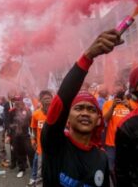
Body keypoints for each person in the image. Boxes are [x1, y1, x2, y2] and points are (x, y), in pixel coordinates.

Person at [41, 29, 123, 187]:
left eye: (92, 110)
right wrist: (87, 57)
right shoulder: (54, 145)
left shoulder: (102, 158)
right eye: (79, 108)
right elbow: (61, 101)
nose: (85, 113)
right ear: (67, 117)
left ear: (98, 119)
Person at [102, 89, 131, 185]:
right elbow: (105, 119)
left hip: (128, 143)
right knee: (111, 168)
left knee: (127, 167)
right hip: (111, 143)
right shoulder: (108, 103)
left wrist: (129, 107)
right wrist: (113, 106)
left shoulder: (130, 103)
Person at [28, 90, 53, 186]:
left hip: (55, 149)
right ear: (40, 101)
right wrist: (33, 140)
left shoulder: (57, 113)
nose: (47, 101)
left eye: (49, 98)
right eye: (44, 99)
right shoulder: (36, 114)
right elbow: (33, 129)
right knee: (40, 171)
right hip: (41, 149)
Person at [7, 95, 34, 178]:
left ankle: (34, 169)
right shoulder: (11, 111)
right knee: (19, 152)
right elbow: (8, 124)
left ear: (22, 102)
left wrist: (33, 135)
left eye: (19, 101)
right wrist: (9, 135)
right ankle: (21, 169)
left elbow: (31, 123)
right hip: (15, 135)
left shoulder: (28, 110)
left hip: (26, 134)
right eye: (16, 101)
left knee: (30, 151)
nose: (17, 103)